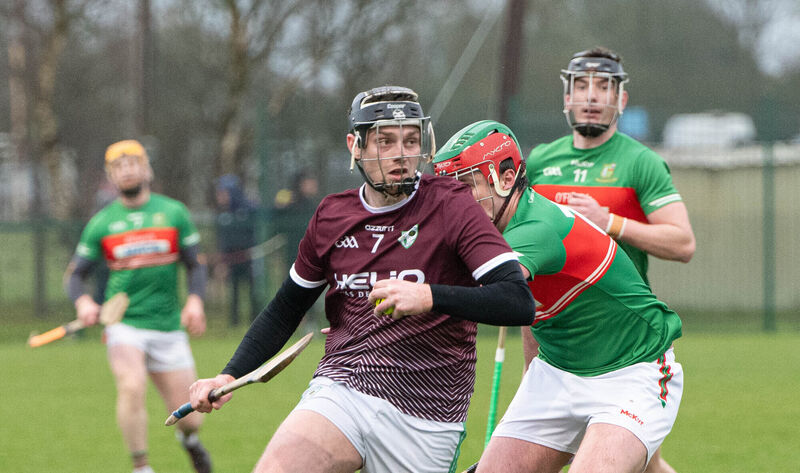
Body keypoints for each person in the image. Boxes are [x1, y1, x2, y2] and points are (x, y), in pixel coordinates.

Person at [188, 86, 536, 473]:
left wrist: (429, 296)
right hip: (344, 388)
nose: (401, 154)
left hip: (428, 413)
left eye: (410, 140)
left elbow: (517, 301)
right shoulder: (332, 215)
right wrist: (229, 372)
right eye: (385, 141)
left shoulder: (452, 204)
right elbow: (286, 308)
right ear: (355, 146)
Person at [433, 120, 684, 473]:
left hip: (634, 371)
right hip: (557, 373)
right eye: (450, 189)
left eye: (467, 186)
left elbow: (496, 295)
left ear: (506, 180)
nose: (455, 201)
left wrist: (423, 297)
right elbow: (531, 309)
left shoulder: (536, 230)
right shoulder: (491, 227)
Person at [526, 47, 696, 472]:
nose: (591, 96)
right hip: (552, 332)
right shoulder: (541, 161)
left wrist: (610, 222)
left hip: (620, 338)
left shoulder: (640, 162)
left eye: (604, 87)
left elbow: (682, 243)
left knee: (636, 464)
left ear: (620, 100)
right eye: (581, 86)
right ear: (566, 98)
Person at [65, 139, 212, 473]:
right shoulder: (102, 223)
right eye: (119, 165)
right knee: (131, 387)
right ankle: (141, 467)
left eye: (133, 162)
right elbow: (75, 277)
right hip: (124, 324)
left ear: (147, 169)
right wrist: (84, 301)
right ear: (111, 176)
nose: (127, 169)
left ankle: (189, 441)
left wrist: (194, 301)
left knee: (190, 416)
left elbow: (196, 265)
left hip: (168, 326)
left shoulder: (174, 212)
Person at [214, 173, 263, 325]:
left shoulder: (249, 209)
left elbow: (255, 233)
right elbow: (222, 240)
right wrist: (222, 261)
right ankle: (234, 323)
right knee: (234, 291)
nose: (220, 197)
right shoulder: (222, 214)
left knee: (253, 291)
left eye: (223, 193)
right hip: (231, 260)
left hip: (249, 258)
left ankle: (256, 322)